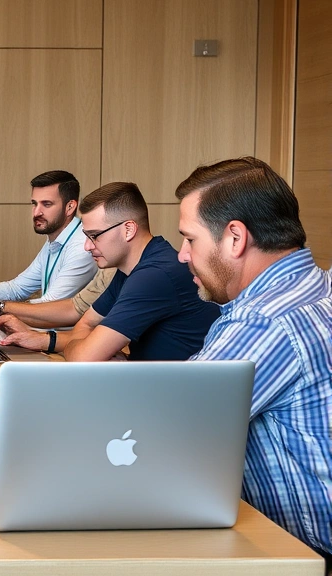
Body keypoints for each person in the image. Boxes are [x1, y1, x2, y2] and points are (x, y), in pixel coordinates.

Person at [175, 157, 331, 565]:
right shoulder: (319, 285)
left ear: (235, 237)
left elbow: (162, 428)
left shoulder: (266, 320)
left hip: (301, 557)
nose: (182, 255)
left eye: (190, 239)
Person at [0, 182, 219, 360]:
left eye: (94, 236)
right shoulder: (131, 268)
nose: (87, 246)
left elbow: (84, 358)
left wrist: (84, 347)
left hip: (171, 401)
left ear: (128, 229)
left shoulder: (154, 275)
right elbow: (86, 324)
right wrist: (44, 340)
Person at [0, 170, 97, 313]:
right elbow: (17, 288)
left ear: (70, 207)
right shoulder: (56, 240)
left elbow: (49, 305)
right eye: (34, 204)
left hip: (64, 340)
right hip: (42, 333)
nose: (36, 212)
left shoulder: (82, 247)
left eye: (46, 204)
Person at [0, 268, 116, 350]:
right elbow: (79, 316)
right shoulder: (114, 272)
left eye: (95, 235)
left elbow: (67, 310)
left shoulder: (122, 274)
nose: (87, 246)